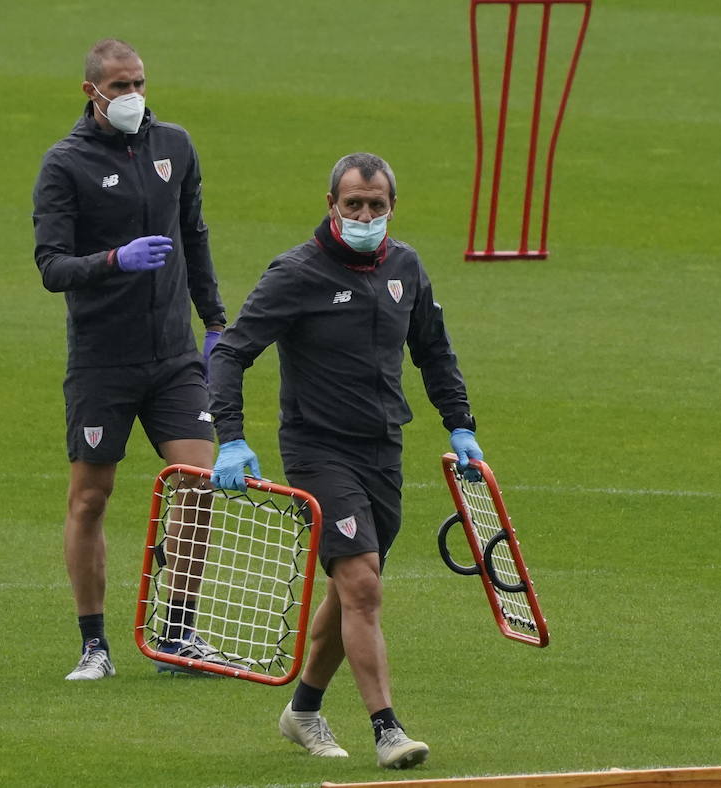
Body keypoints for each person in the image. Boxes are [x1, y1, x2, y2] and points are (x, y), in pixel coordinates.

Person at [207, 152, 484, 770]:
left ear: (391, 207)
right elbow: (230, 354)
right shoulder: (296, 274)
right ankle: (388, 729)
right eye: (352, 204)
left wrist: (461, 425)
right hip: (317, 450)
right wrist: (230, 436)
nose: (363, 215)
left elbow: (434, 353)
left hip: (383, 451)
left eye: (375, 206)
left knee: (353, 587)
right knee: (361, 584)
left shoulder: (406, 268)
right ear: (331, 205)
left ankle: (302, 709)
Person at [33, 38, 233, 681]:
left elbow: (194, 235)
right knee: (91, 498)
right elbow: (51, 267)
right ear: (90, 92)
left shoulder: (175, 146)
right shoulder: (64, 165)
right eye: (119, 87)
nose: (132, 97)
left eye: (140, 83)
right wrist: (114, 261)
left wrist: (216, 322)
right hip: (102, 362)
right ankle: (95, 645)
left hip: (173, 356)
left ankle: (177, 633)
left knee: (198, 485)